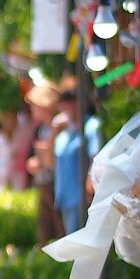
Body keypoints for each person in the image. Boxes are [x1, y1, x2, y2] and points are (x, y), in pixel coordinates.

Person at [53, 88, 101, 235]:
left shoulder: (92, 126)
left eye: (71, 102)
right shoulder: (64, 132)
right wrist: (53, 129)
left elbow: (96, 159)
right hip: (65, 197)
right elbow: (48, 161)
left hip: (82, 197)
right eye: (64, 103)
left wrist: (89, 189)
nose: (66, 108)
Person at [25, 82, 66, 247]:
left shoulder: (59, 126)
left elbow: (51, 160)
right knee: (46, 231)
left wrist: (41, 158)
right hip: (44, 183)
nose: (32, 109)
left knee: (59, 229)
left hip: (55, 184)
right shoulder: (42, 127)